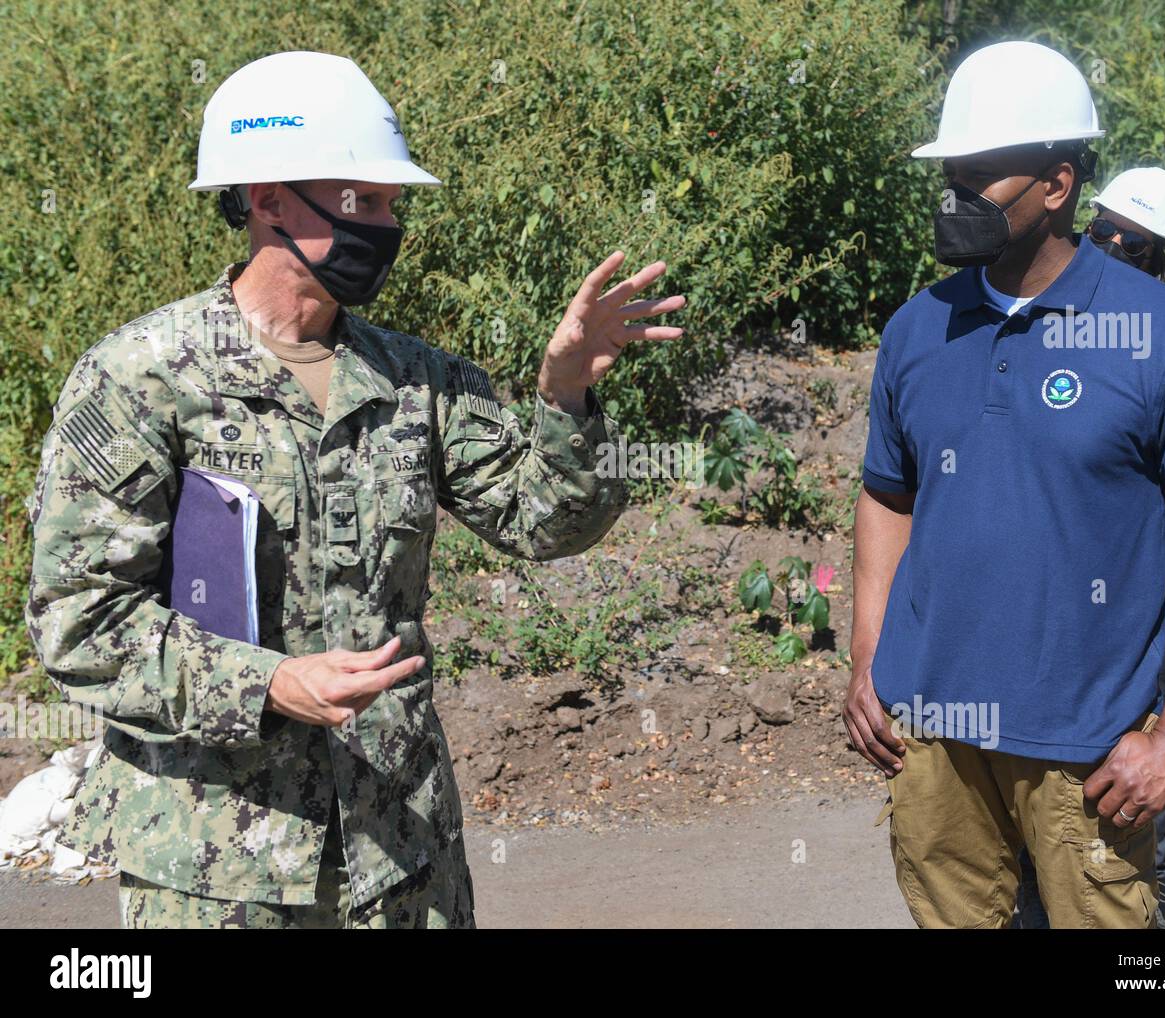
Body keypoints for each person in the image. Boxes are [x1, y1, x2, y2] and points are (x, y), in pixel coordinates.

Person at [24, 51, 684, 929]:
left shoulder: (417, 378)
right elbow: (80, 622)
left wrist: (566, 394)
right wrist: (268, 684)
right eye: (361, 201)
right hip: (219, 869)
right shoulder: (137, 381)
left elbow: (546, 522)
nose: (387, 223)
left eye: (389, 203)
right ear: (267, 201)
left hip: (402, 852)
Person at [841, 41, 1165, 929]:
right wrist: (868, 656)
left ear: (1058, 184)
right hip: (934, 744)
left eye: (984, 172)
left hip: (1087, 755)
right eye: (953, 169)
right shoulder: (919, 330)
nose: (959, 191)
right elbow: (889, 496)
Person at [1016, 166, 1165, 928]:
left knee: (1133, 719)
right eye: (1107, 232)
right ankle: (1033, 864)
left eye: (1139, 243)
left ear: (1162, 258)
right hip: (1064, 553)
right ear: (1084, 222)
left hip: (1160, 557)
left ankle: (1126, 874)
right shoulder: (1045, 314)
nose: (1118, 248)